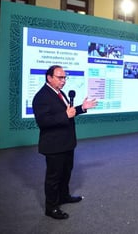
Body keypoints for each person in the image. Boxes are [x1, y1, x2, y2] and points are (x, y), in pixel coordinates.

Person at [32, 65, 97, 220]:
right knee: (53, 178)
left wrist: (82, 107)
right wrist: (65, 115)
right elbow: (43, 121)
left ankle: (63, 196)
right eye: (60, 77)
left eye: (65, 77)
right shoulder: (41, 96)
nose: (64, 81)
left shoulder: (60, 93)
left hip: (67, 142)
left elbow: (69, 112)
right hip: (54, 145)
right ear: (49, 77)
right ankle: (51, 208)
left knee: (66, 172)